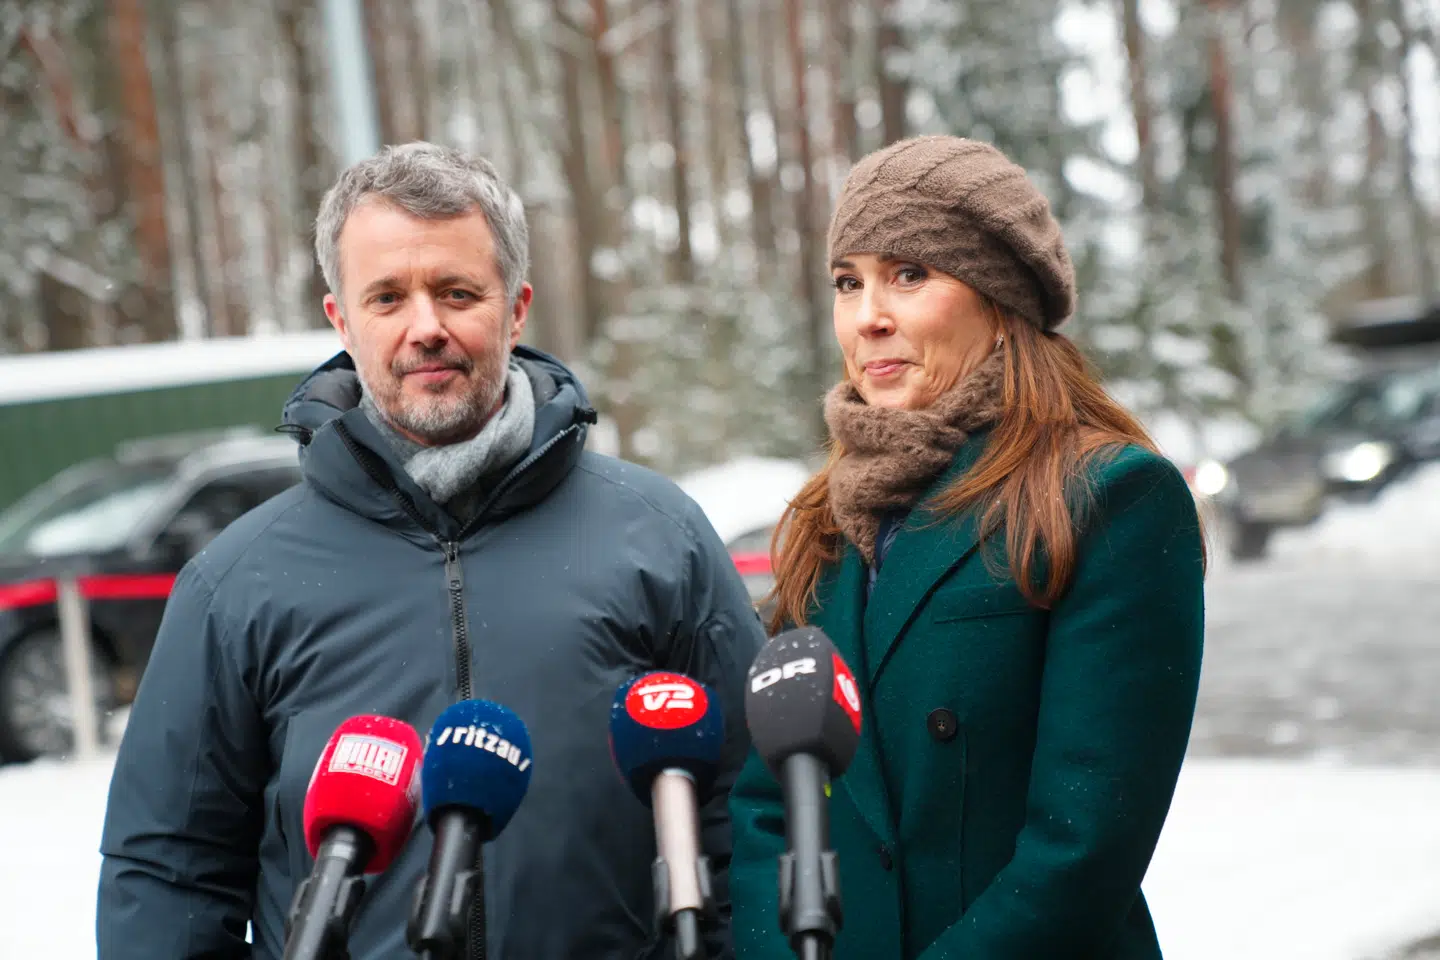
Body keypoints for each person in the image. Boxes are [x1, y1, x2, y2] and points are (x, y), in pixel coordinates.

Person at [97, 142, 765, 959]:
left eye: (457, 292)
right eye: (387, 297)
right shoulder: (235, 583)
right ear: (341, 319)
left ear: (516, 309)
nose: (426, 328)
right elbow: (169, 873)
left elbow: (750, 808)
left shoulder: (660, 536)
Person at [728, 135, 1206, 959]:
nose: (870, 315)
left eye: (910, 274)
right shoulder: (827, 516)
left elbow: (1082, 846)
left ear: (998, 299)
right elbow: (770, 802)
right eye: (850, 282)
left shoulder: (1110, 497)